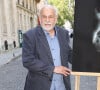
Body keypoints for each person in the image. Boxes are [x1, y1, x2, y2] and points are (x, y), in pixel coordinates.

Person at [22, 4, 72, 90]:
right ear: (40, 19)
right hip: (39, 86)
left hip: (62, 85)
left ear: (55, 18)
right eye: (44, 17)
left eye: (50, 17)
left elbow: (68, 53)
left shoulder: (63, 33)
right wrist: (53, 69)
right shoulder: (30, 35)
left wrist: (85, 62)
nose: (47, 20)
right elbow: (28, 60)